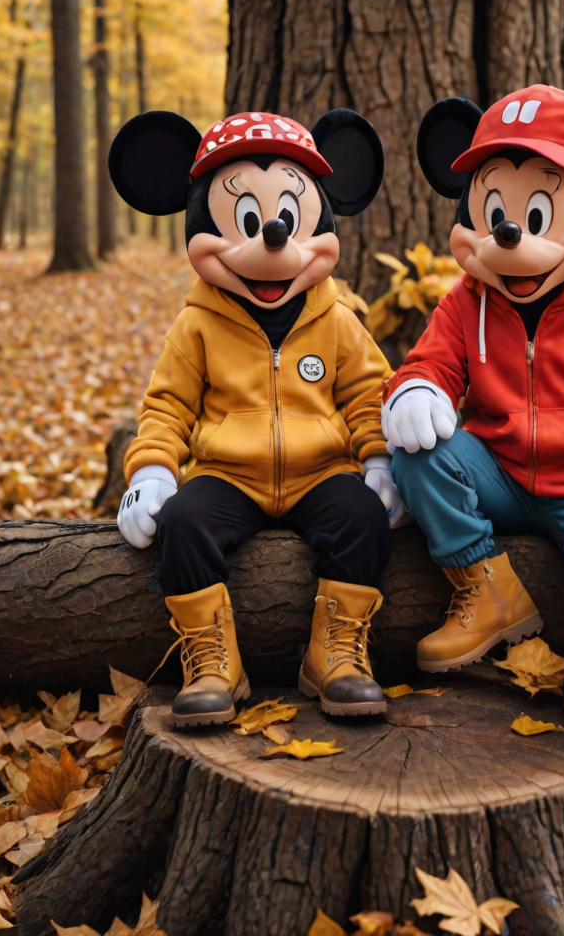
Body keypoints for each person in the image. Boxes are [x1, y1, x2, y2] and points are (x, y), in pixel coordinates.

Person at [384, 86, 564, 753]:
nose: (513, 235)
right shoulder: (464, 305)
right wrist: (417, 392)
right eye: (495, 211)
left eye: (540, 211)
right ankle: (485, 588)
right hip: (497, 471)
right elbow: (429, 364)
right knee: (420, 455)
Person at [111, 109, 405, 727]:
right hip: (228, 474)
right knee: (184, 524)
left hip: (320, 471)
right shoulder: (196, 324)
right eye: (247, 219)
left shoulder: (337, 320)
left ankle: (337, 655)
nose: (271, 236)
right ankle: (214, 662)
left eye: (288, 218)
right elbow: (167, 405)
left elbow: (367, 393)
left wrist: (378, 458)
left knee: (363, 518)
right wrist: (155, 470)